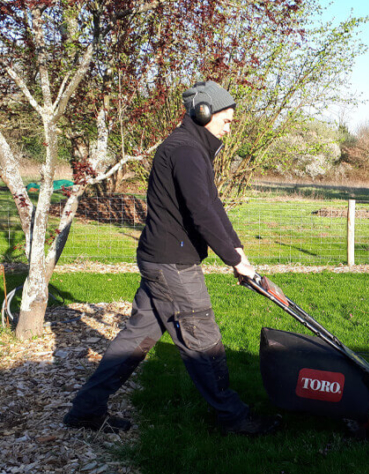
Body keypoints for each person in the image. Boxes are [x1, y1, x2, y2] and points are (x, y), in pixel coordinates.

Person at [64, 81, 281, 436]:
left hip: (161, 259)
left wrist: (237, 250)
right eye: (226, 119)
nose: (230, 125)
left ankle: (86, 409)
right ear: (203, 112)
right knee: (202, 337)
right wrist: (233, 260)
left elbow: (213, 205)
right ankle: (234, 418)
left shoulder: (193, 148)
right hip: (171, 265)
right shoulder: (185, 151)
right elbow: (201, 213)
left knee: (136, 338)